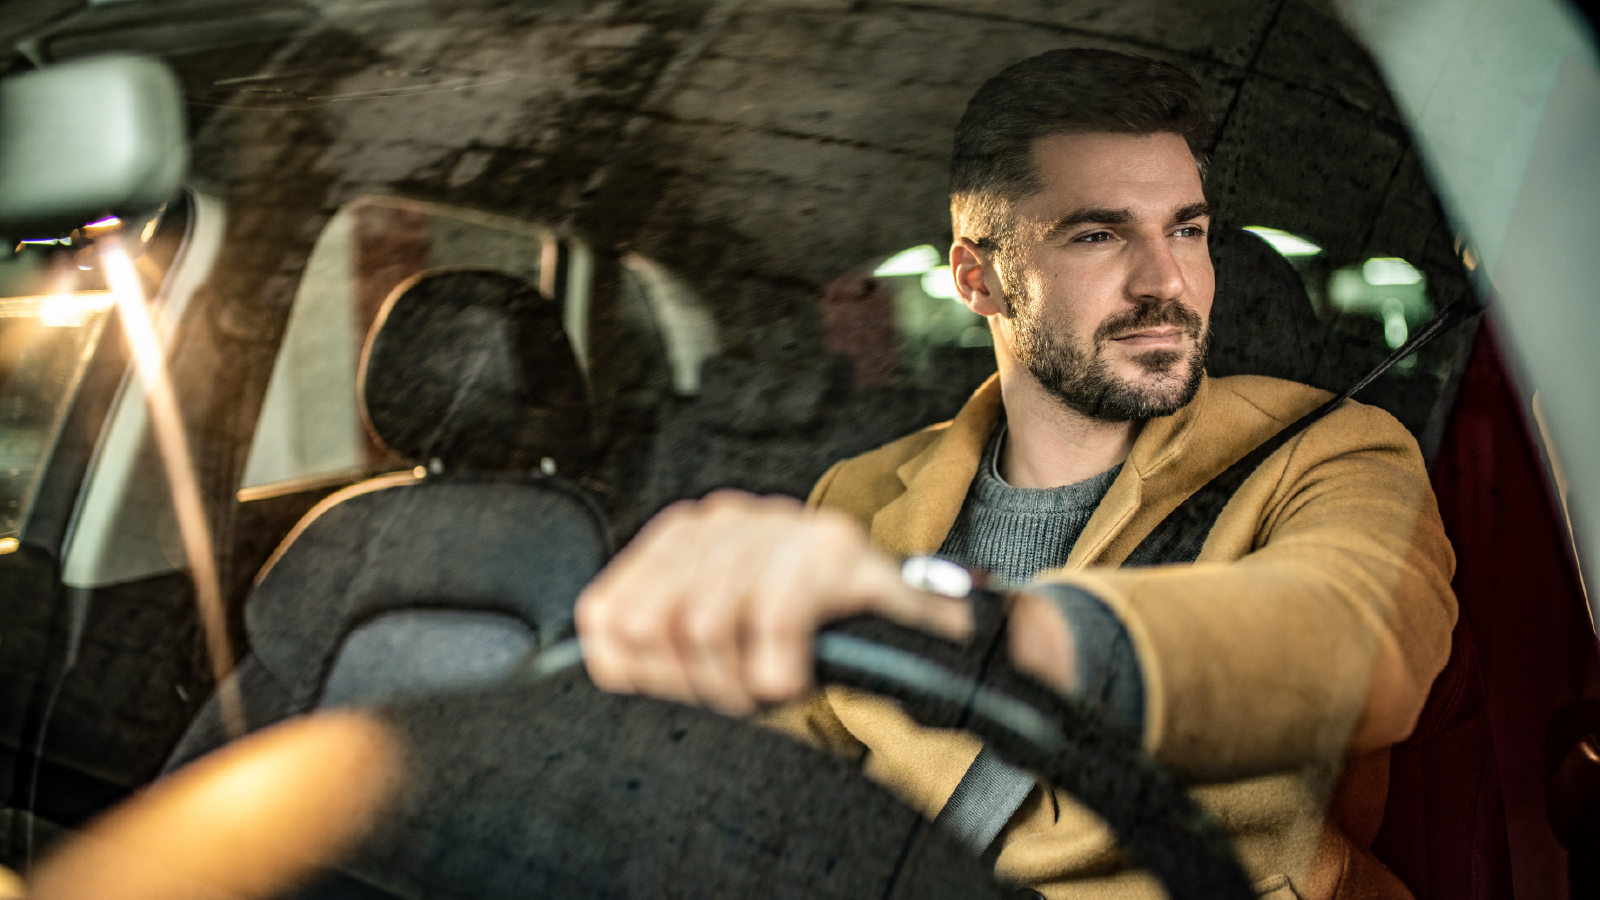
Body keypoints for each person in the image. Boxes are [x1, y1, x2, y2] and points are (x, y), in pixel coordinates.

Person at [575, 49, 1456, 899]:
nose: (1168, 282)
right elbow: (775, 810)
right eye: (1098, 234)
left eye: (1187, 230)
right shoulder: (860, 494)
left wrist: (958, 626)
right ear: (979, 279)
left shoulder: (1332, 449)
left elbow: (1358, 648)